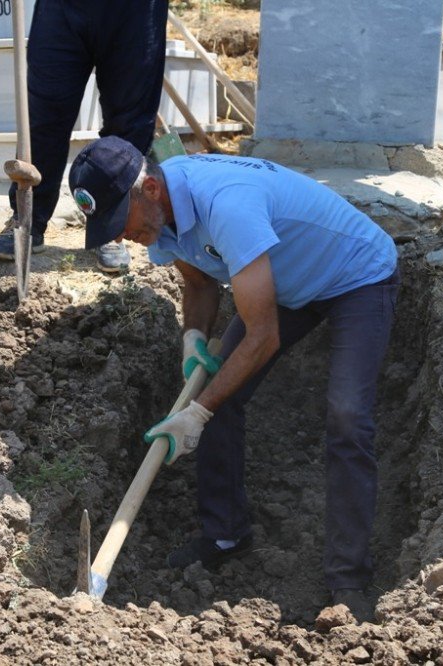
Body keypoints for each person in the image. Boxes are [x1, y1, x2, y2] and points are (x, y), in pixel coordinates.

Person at [68, 136, 400, 622]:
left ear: (152, 190)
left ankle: (348, 580)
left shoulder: (227, 205)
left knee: (347, 416)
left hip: (356, 275)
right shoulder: (160, 220)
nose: (120, 238)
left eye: (122, 223)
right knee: (215, 392)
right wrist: (193, 340)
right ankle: (225, 533)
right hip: (283, 282)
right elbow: (199, 282)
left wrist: (197, 413)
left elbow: (262, 336)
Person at [0, 0, 169, 274]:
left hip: (134, 9)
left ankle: (112, 224)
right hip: (61, 7)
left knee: (129, 118)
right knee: (45, 113)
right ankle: (28, 219)